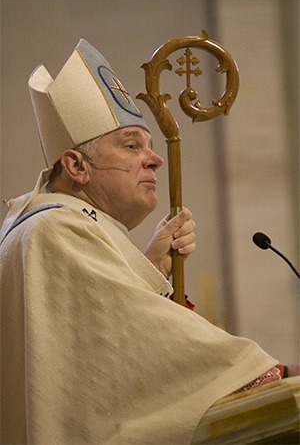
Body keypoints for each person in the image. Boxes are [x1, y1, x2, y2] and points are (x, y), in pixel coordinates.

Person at [0, 39, 297, 445]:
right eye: (131, 146)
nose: (154, 159)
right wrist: (274, 376)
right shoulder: (57, 230)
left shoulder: (50, 223)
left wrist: (148, 270)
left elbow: (88, 362)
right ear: (75, 166)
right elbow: (133, 355)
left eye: (153, 147)